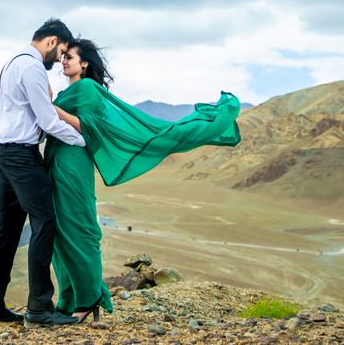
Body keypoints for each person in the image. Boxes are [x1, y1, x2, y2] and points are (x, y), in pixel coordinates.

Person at [48, 38, 242, 322]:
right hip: (55, 159)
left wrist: (51, 108)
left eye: (69, 57)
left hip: (72, 162)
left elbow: (88, 125)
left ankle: (88, 299)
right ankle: (67, 299)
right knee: (57, 231)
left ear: (84, 63)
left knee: (77, 228)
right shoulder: (72, 89)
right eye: (63, 57)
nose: (63, 61)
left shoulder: (87, 88)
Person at [0, 18, 86, 328]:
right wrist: (83, 141)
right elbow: (49, 121)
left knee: (6, 228)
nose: (60, 58)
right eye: (62, 51)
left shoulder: (14, 61)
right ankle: (39, 307)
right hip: (21, 156)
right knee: (45, 222)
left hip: (4, 151)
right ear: (52, 42)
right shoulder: (33, 68)